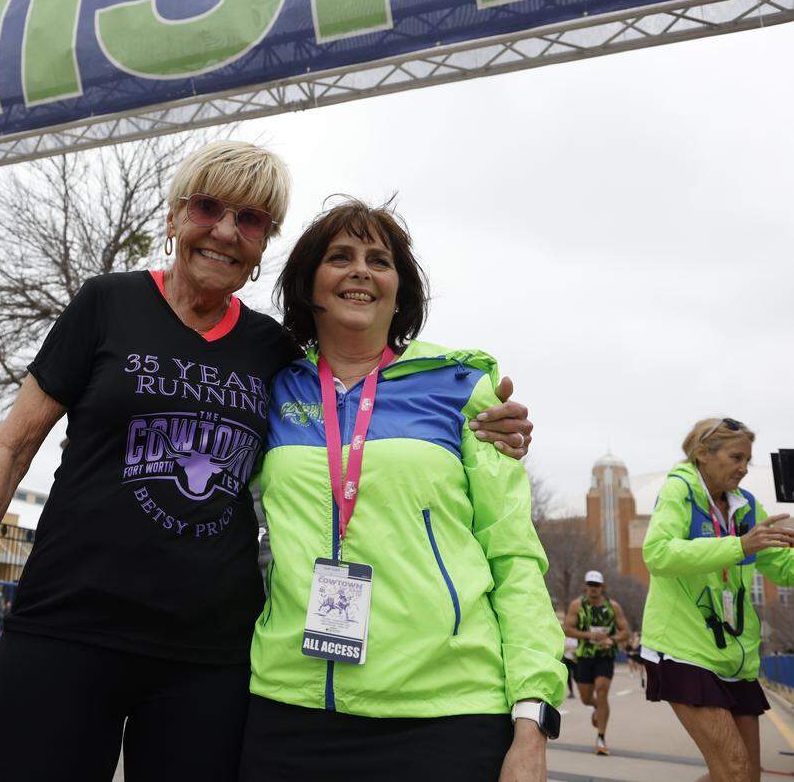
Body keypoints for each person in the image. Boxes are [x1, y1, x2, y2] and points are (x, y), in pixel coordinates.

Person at [0, 143, 534, 782]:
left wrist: (485, 423)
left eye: (252, 220)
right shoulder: (106, 304)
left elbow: (359, 397)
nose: (226, 232)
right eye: (208, 208)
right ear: (177, 216)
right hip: (69, 625)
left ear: (265, 245)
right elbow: (11, 447)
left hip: (206, 657)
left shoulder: (272, 353)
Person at [239, 199, 564, 782]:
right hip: (288, 706)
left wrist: (531, 717)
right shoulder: (269, 388)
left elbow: (514, 556)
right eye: (340, 257)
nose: (360, 270)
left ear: (400, 289)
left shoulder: (461, 388)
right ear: (309, 282)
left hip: (444, 713)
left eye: (379, 260)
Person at [641, 417, 794, 782]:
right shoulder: (680, 491)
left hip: (733, 658)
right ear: (702, 454)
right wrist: (739, 545)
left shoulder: (747, 507)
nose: (743, 468)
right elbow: (658, 554)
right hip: (684, 650)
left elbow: (781, 569)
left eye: (748, 461)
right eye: (736, 457)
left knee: (745, 776)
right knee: (735, 770)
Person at [563, 570, 630, 755]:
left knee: (602, 690)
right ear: (585, 586)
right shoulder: (577, 605)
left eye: (597, 585)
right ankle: (595, 707)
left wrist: (613, 640)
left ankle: (601, 737)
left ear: (603, 587)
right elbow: (568, 629)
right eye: (590, 585)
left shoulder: (613, 607)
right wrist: (589, 635)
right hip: (584, 656)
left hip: (605, 656)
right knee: (585, 698)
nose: (593, 589)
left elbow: (626, 632)